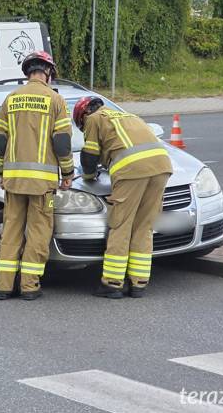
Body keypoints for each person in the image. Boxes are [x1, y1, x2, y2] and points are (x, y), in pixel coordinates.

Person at [0, 51, 73, 301]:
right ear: (48, 72)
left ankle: (4, 286)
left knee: (11, 231)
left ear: (28, 72)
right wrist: (68, 173)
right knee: (38, 233)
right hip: (42, 184)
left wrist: (2, 172)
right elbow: (62, 142)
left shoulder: (11, 98)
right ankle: (29, 286)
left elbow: (0, 140)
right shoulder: (55, 100)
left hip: (14, 181)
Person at [74, 96, 173, 299]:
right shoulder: (128, 115)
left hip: (132, 171)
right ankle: (139, 283)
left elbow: (90, 155)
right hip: (162, 167)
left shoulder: (93, 119)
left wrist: (88, 176)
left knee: (121, 225)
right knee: (144, 226)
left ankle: (112, 284)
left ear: (83, 115)